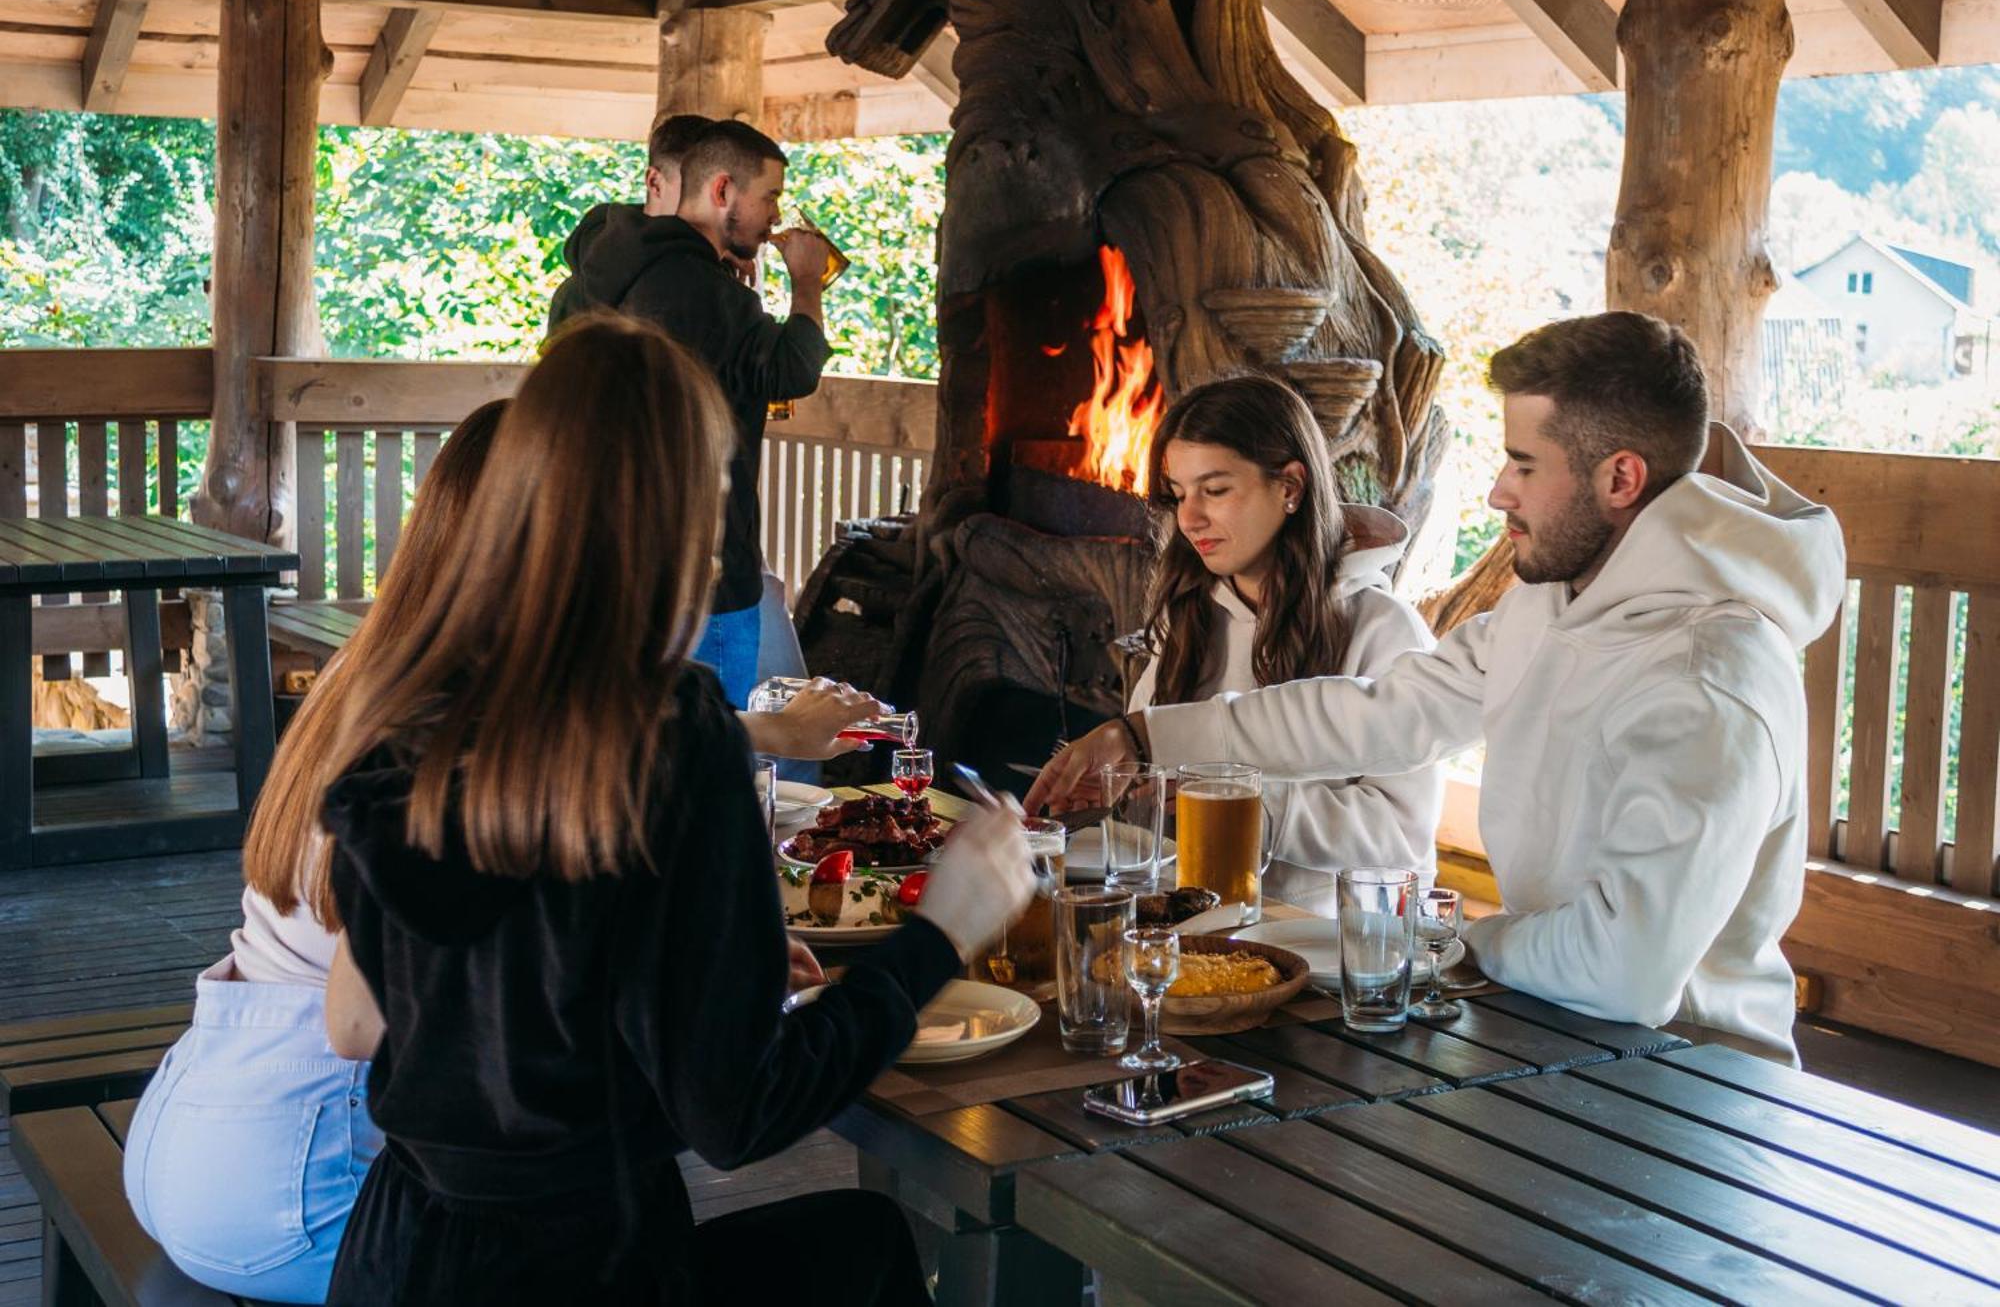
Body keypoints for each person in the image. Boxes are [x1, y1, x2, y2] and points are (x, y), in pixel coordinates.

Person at [316, 313, 1032, 1305]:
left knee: (855, 1241)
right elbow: (738, 1115)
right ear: (679, 509)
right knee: (864, 1251)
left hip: (399, 1256)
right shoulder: (669, 722)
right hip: (586, 1271)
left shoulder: (413, 704)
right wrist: (943, 928)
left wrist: (702, 968)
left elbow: (500, 978)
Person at [122, 397, 874, 1304]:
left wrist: (751, 735)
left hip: (193, 1119)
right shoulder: (433, 750)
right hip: (302, 1174)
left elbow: (590, 746)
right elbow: (375, 1025)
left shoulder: (379, 681)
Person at [1033, 312, 1846, 1064]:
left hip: (1691, 1085)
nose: (1498, 490)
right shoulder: (1550, 606)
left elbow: (1623, 971)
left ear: (1621, 479)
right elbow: (1376, 713)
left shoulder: (1711, 678)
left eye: (1524, 464)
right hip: (1552, 1028)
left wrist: (1449, 936)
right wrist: (1148, 738)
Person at [1128, 374, 1442, 913]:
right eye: (1178, 494)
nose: (1189, 518)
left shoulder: (1382, 629)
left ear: (1291, 487)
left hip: (1321, 955)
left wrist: (1247, 805)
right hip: (1188, 935)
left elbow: (1401, 840)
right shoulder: (1188, 615)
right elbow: (1146, 773)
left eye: (1216, 489)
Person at [547, 118, 833, 707]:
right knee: (714, 741)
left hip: (605, 558)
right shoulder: (703, 290)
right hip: (702, 574)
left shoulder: (592, 281)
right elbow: (793, 367)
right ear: (723, 191)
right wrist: (808, 281)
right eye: (771, 196)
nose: (776, 216)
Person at [546, 112, 713, 331]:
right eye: (693, 188)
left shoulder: (714, 275)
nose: (715, 206)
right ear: (655, 183)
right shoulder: (577, 295)